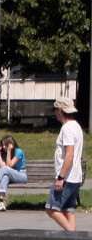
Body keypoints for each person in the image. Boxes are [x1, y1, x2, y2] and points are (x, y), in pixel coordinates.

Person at [45, 96, 84, 231]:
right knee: (68, 211)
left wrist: (61, 177)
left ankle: (73, 235)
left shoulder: (67, 128)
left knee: (51, 209)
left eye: (56, 109)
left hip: (66, 177)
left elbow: (69, 154)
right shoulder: (77, 126)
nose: (55, 112)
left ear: (60, 110)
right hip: (75, 177)